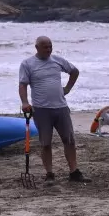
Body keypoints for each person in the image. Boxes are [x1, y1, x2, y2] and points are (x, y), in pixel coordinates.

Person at [18, 36, 91, 183]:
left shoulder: (57, 60)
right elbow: (23, 85)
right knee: (45, 143)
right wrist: (25, 102)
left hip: (61, 107)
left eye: (50, 46)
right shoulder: (27, 64)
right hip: (41, 109)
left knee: (69, 140)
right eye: (45, 47)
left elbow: (74, 71)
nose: (49, 49)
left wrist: (67, 89)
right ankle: (49, 174)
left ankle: (74, 172)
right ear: (37, 47)